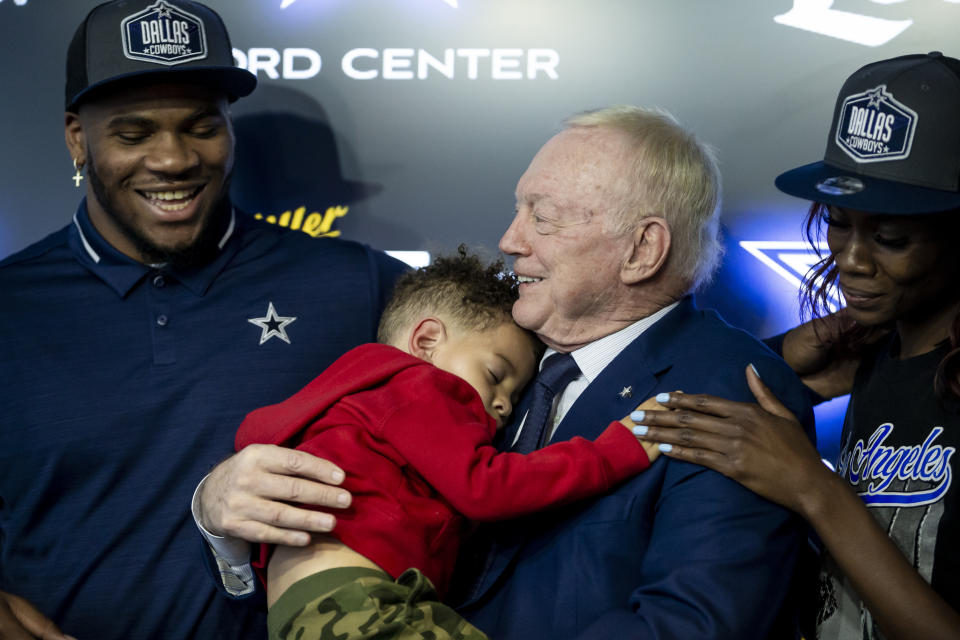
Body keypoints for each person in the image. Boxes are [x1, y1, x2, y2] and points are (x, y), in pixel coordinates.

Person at [200, 105, 818, 638]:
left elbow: (692, 627)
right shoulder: (484, 361)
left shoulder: (727, 394)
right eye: (518, 211)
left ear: (641, 251)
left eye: (542, 217)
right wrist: (223, 508)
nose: (510, 239)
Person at [0, 1, 407, 638]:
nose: (174, 159)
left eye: (200, 126)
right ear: (78, 137)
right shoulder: (10, 304)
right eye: (133, 134)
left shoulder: (352, 283)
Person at [632, 52, 960, 640]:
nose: (851, 259)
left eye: (890, 237)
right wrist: (777, 359)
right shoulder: (872, 355)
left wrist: (814, 488)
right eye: (838, 221)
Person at [240, 249, 661, 640]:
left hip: (307, 608)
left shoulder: (354, 405)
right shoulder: (417, 386)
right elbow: (488, 488)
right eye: (496, 375)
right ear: (426, 342)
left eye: (515, 398)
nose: (503, 406)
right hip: (358, 602)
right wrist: (613, 453)